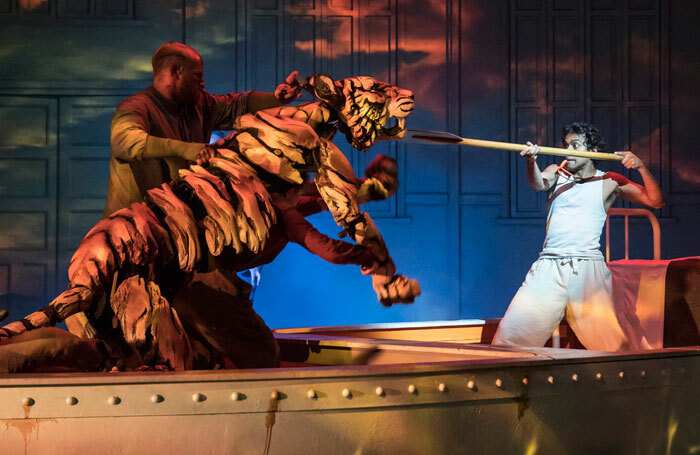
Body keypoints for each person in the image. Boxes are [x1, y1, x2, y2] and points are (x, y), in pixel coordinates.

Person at [492, 122, 665, 351]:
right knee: (509, 341)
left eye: (575, 145)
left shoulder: (609, 181)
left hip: (588, 272)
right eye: (565, 144)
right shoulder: (558, 172)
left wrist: (641, 167)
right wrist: (531, 160)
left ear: (592, 151)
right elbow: (538, 183)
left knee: (612, 347)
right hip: (549, 267)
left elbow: (655, 201)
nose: (567, 150)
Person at [104, 41, 302, 216]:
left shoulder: (199, 104)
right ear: (175, 72)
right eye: (196, 76)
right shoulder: (136, 107)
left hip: (178, 225)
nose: (203, 83)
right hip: (130, 230)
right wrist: (185, 149)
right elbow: (125, 142)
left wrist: (275, 98)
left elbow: (238, 105)